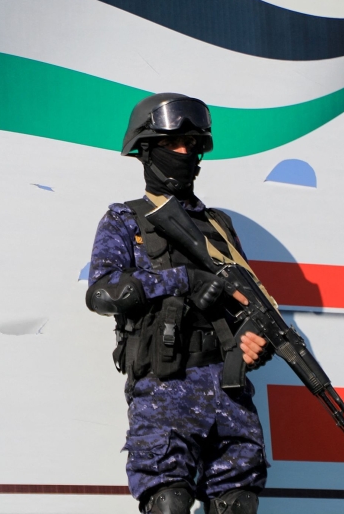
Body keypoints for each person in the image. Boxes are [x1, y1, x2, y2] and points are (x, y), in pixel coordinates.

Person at [86, 93, 272, 514]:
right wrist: (184, 280)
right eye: (174, 144)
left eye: (192, 145)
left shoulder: (218, 227)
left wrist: (256, 341)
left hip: (230, 397)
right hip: (165, 394)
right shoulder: (125, 220)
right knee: (168, 502)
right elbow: (101, 292)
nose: (185, 153)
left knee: (239, 503)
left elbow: (248, 302)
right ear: (147, 150)